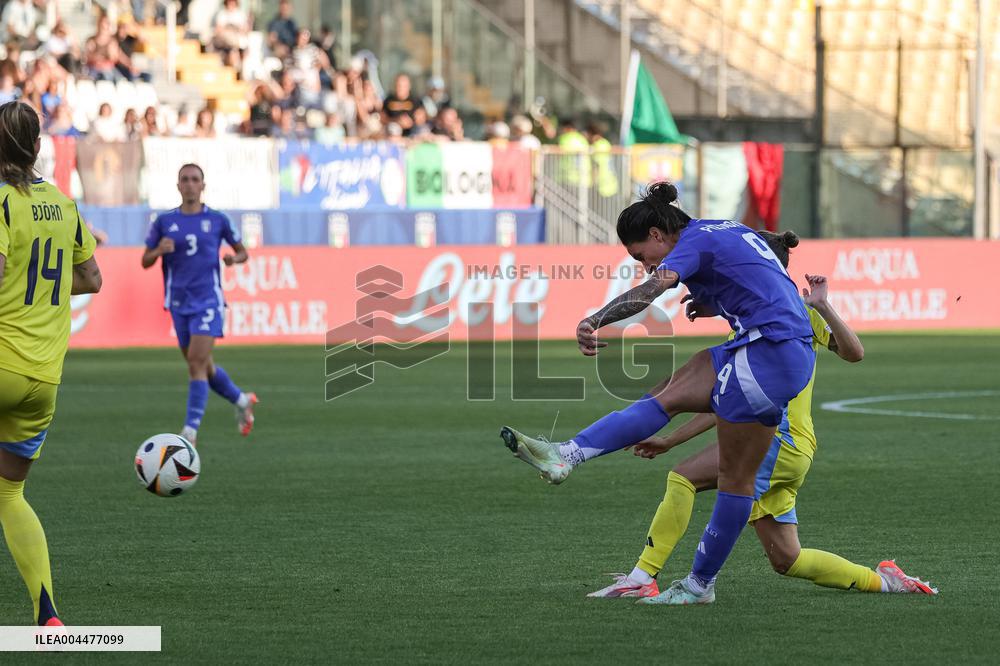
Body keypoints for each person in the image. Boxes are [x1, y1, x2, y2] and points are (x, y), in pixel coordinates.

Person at [501, 181, 817, 605]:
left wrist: (595, 319)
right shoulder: (715, 229)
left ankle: (700, 586)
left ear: (656, 234)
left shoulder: (691, 241)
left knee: (736, 480)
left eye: (641, 256)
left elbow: (654, 290)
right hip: (761, 347)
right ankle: (567, 455)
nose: (645, 266)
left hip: (771, 354)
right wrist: (712, 302)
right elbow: (757, 261)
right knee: (666, 394)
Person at [585, 231, 937, 601]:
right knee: (787, 558)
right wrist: (672, 439)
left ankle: (648, 577)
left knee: (684, 478)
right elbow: (730, 401)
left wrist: (822, 306)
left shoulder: (793, 314)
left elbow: (855, 351)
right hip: (791, 447)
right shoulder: (755, 319)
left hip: (781, 441)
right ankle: (887, 581)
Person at [0, 100, 102, 626]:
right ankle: (47, 613)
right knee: (9, 492)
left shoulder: (1, 203)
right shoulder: (62, 203)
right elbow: (92, 279)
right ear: (38, 147)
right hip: (43, 378)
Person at [141, 163, 258, 446]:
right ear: (178, 185)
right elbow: (145, 261)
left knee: (195, 362)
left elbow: (244, 253)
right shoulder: (164, 222)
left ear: (203, 186)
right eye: (185, 179)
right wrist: (158, 250)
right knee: (204, 366)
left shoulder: (217, 219)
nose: (190, 184)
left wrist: (233, 259)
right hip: (178, 303)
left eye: (195, 179)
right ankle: (243, 401)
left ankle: (190, 431)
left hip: (209, 301)